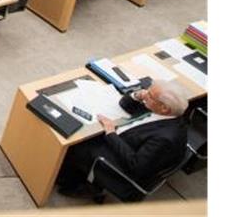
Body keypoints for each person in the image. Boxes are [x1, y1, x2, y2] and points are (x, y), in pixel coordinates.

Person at [55, 82, 188, 202]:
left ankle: (75, 183)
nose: (145, 93)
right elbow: (125, 104)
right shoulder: (164, 112)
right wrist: (137, 95)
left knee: (77, 146)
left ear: (164, 108)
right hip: (129, 141)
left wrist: (111, 133)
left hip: (124, 167)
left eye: (150, 95)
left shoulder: (165, 139)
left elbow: (135, 166)